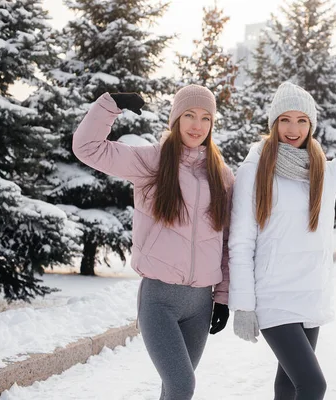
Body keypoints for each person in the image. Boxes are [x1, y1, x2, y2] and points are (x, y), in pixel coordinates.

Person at [228, 82, 336, 399]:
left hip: (309, 296)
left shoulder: (323, 172)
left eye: (302, 120)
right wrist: (244, 306)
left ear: (311, 125)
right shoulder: (255, 170)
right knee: (312, 384)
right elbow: (241, 242)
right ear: (274, 123)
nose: (293, 129)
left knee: (289, 385)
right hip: (273, 297)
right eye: (285, 120)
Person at [72, 85, 233, 399]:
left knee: (173, 390)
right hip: (159, 300)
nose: (197, 125)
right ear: (175, 119)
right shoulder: (152, 162)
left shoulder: (222, 175)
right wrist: (110, 105)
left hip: (201, 304)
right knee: (182, 385)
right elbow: (88, 148)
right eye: (189, 115)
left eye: (205, 118)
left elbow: (226, 242)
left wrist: (223, 298)